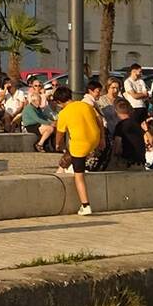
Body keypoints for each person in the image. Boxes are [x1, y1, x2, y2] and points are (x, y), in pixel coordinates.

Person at [51, 86, 103, 215]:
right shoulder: (85, 105)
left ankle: (85, 205)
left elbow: (60, 132)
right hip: (94, 138)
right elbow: (99, 120)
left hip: (80, 145)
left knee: (78, 175)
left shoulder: (63, 113)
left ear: (58, 102)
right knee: (71, 152)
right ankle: (64, 167)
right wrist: (102, 139)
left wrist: (57, 144)